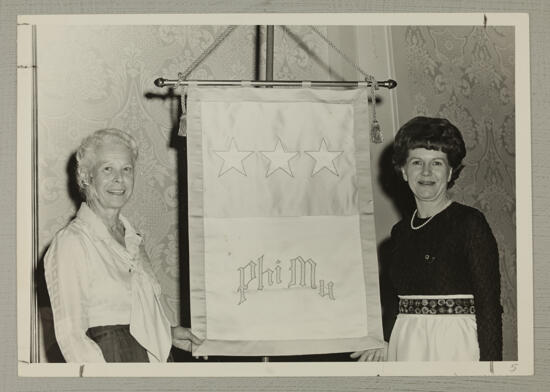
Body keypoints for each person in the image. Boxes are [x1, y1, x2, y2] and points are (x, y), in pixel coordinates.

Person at [352, 116, 502, 361]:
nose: (426, 172)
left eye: (437, 163)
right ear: (403, 170)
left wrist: (493, 373)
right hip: (407, 342)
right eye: (417, 162)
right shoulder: (399, 232)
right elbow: (396, 303)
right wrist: (385, 340)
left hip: (454, 344)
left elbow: (490, 308)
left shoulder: (469, 223)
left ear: (451, 171)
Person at [44, 128, 202, 362]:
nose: (119, 179)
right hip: (110, 363)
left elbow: (129, 316)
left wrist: (167, 334)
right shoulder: (72, 242)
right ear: (87, 176)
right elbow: (72, 337)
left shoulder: (132, 240)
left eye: (126, 169)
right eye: (107, 169)